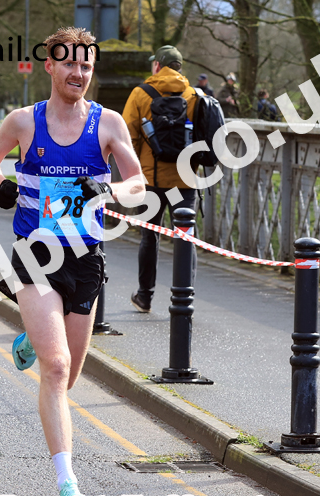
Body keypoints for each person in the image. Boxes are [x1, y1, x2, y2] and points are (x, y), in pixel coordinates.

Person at [0, 27, 144, 496]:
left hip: (86, 259)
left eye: (87, 66)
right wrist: (1, 185)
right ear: (49, 66)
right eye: (69, 64)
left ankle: (32, 339)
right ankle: (69, 485)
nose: (79, 73)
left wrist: (110, 191)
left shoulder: (109, 124)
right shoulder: (23, 122)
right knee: (54, 368)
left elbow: (137, 184)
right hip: (35, 255)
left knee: (67, 376)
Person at [121, 45, 198, 313]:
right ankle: (184, 299)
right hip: (184, 182)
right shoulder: (194, 95)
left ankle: (145, 296)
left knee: (149, 238)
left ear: (157, 66)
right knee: (186, 237)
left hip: (151, 180)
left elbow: (126, 138)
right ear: (179, 67)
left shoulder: (141, 94)